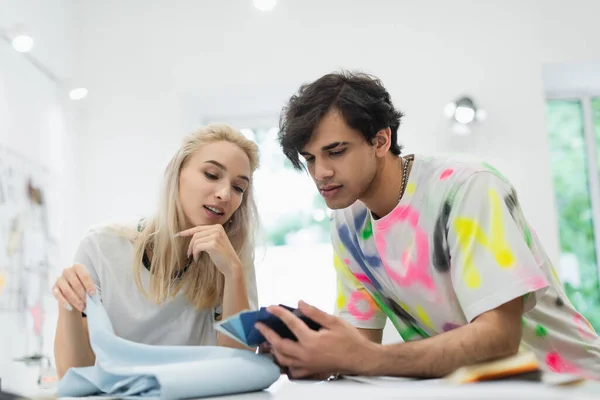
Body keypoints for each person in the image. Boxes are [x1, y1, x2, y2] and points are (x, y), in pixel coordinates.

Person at [255, 71, 600, 380]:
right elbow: (359, 342)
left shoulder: (466, 187)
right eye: (311, 158)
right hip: (474, 388)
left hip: (570, 384)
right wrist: (314, 357)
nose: (320, 173)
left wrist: (373, 359)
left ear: (380, 141)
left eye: (336, 151)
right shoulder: (347, 225)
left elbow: (499, 337)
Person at [52, 124, 261, 378]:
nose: (225, 194)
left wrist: (233, 273)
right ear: (176, 173)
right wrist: (69, 305)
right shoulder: (101, 246)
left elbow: (239, 370)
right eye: (212, 174)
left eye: (239, 187)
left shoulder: (232, 259)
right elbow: (74, 374)